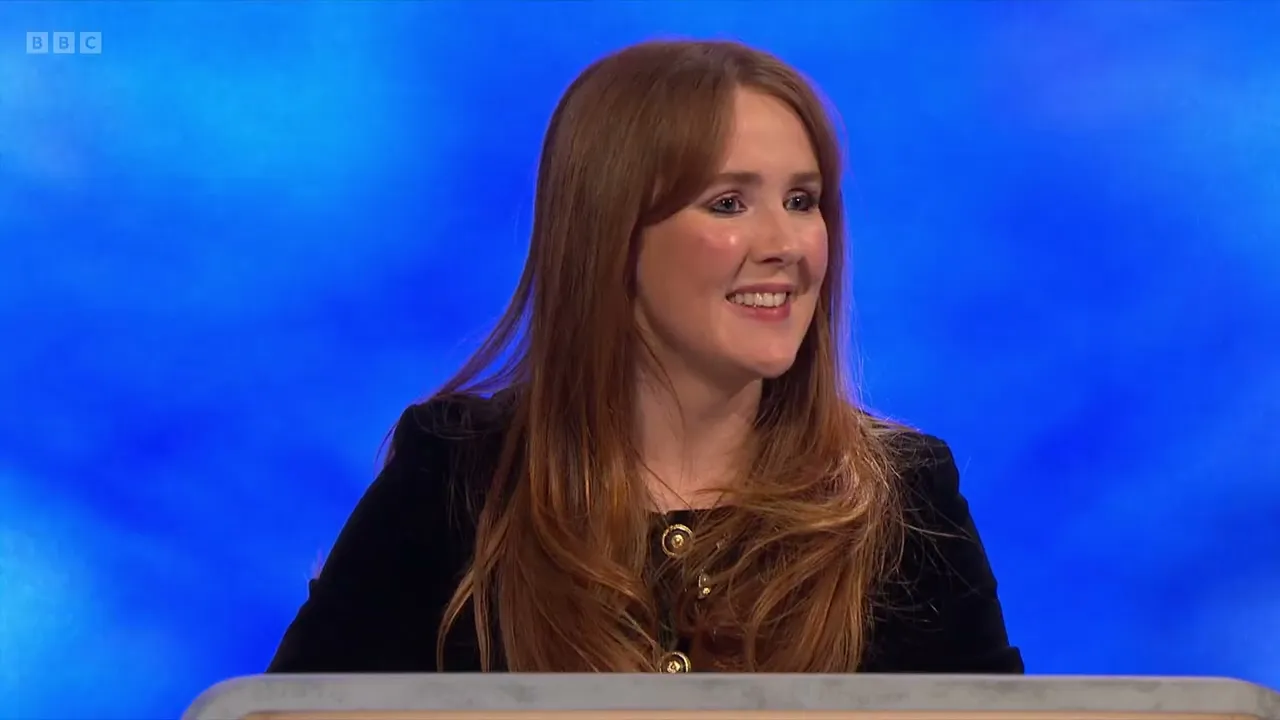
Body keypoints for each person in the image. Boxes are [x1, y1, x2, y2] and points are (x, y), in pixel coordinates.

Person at [267, 39, 1022, 675]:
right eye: (729, 203)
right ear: (610, 235)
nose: (786, 246)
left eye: (802, 200)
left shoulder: (904, 500)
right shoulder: (459, 481)